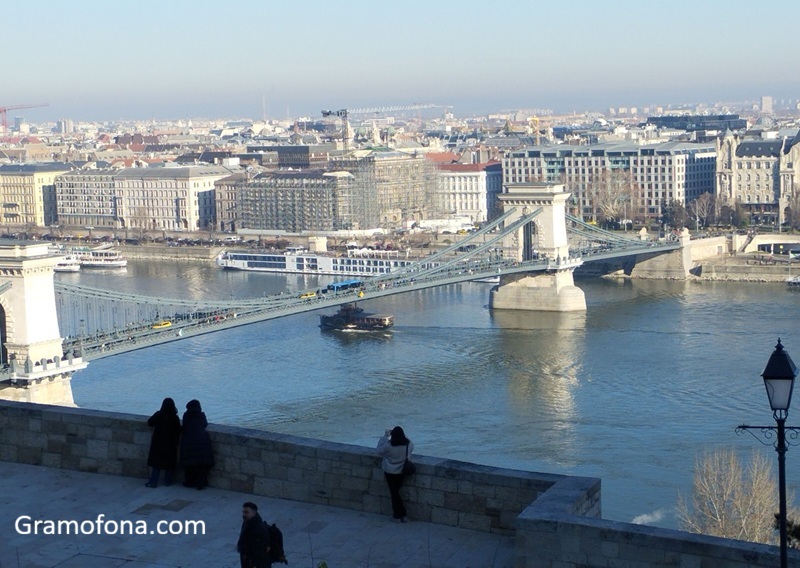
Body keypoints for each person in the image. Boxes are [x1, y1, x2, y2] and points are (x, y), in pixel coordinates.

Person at [377, 425, 413, 522]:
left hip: (390, 472)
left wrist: (385, 436)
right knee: (395, 492)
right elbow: (410, 447)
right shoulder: (408, 444)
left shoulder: (388, 446)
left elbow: (379, 451)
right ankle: (402, 515)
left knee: (394, 493)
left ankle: (399, 515)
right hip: (401, 472)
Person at [145, 397, 181, 488]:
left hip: (158, 444)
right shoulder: (175, 418)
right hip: (170, 445)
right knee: (169, 464)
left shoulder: (159, 415)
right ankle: (168, 482)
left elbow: (150, 422)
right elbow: (178, 430)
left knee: (156, 464)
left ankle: (153, 482)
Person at [179, 399, 214, 490]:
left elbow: (185, 426)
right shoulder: (201, 415)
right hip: (202, 441)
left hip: (188, 441)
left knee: (189, 464)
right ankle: (201, 483)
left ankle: (189, 482)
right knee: (201, 466)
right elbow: (204, 424)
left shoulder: (186, 415)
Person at [237, 501, 271, 568]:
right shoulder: (247, 523)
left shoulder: (259, 529)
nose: (243, 514)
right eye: (243, 512)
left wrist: (255, 565)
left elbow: (261, 551)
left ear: (254, 513)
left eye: (246, 512)